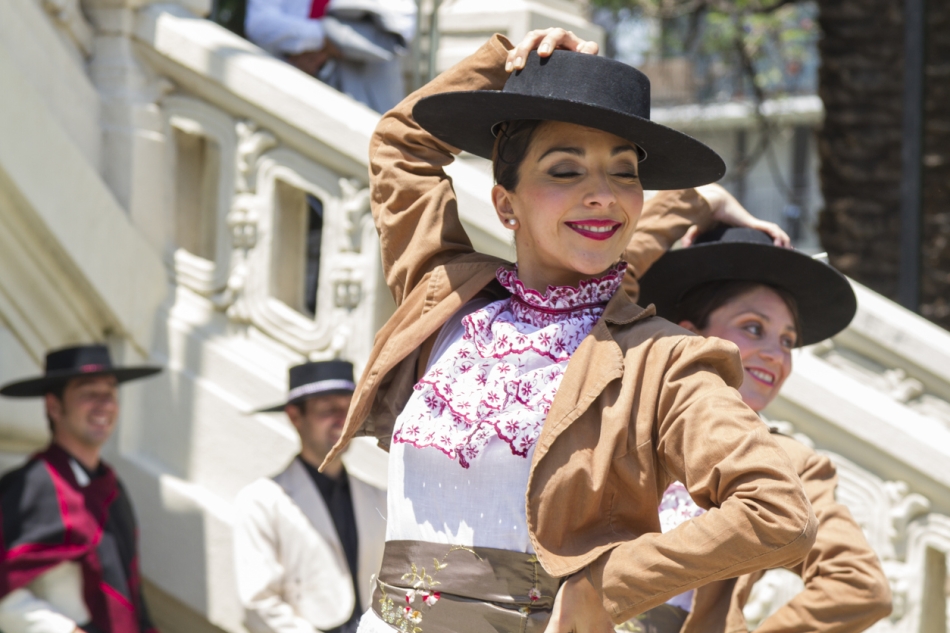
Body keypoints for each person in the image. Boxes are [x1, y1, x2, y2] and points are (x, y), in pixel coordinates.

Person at [318, 28, 821, 632]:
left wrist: (603, 587)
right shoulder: (446, 297)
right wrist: (508, 61)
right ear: (506, 204)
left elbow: (778, 512)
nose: (602, 196)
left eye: (624, 173)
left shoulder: (663, 360)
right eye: (565, 170)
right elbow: (402, 146)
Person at [619, 224, 892, 632]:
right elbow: (602, 283)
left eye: (787, 340)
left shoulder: (791, 462)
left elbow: (858, 586)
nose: (775, 355)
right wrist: (700, 199)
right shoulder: (614, 414)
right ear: (690, 335)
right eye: (753, 328)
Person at [0, 344, 162, 633]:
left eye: (111, 393)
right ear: (54, 406)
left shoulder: (112, 489)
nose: (104, 404)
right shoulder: (31, 486)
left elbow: (129, 587)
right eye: (89, 393)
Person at [234, 360, 386, 633]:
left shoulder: (379, 499)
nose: (342, 418)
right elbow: (259, 604)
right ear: (295, 417)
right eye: (328, 409)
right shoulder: (260, 502)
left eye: (348, 408)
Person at [244, 0, 416, 113]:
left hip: (367, 96)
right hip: (296, 91)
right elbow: (259, 23)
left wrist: (330, 38)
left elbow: (401, 27)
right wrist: (321, 37)